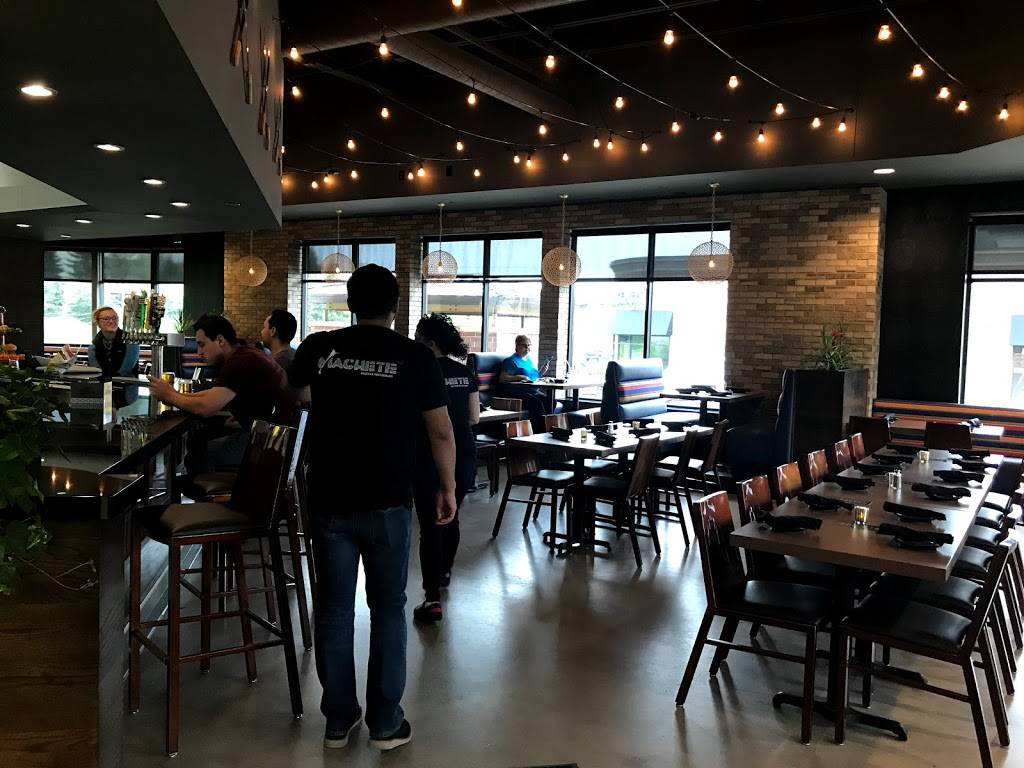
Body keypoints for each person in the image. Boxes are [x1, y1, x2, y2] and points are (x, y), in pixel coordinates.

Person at [288, 264, 456, 753]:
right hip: (388, 500)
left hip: (330, 498)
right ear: (396, 307)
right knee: (387, 608)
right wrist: (446, 487)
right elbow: (441, 431)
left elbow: (298, 396)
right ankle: (385, 723)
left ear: (349, 304)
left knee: (334, 609)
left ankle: (339, 720)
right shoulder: (416, 357)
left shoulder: (318, 347)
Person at [147, 314, 294, 474]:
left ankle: (211, 489)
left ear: (220, 340)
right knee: (200, 438)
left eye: (202, 345)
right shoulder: (244, 354)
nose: (199, 352)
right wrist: (173, 393)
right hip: (276, 437)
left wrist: (169, 396)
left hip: (272, 443)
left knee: (198, 454)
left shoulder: (240, 361)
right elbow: (212, 394)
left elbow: (206, 407)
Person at [411, 313, 479, 624]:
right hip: (464, 455)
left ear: (428, 342)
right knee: (450, 515)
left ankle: (432, 598)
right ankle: (446, 572)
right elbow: (474, 417)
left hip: (428, 457)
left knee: (430, 525)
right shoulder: (464, 372)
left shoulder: (420, 371)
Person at [86, 306, 141, 406]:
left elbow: (125, 370)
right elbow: (96, 371)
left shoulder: (130, 341)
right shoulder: (93, 347)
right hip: (102, 394)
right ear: (98, 322)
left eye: (114, 318)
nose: (111, 321)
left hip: (126, 395)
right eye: (106, 319)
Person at [498, 334, 548, 432]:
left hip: (532, 391)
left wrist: (541, 372)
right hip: (517, 393)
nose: (527, 348)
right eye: (524, 345)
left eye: (529, 345)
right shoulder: (510, 361)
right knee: (537, 403)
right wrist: (518, 377)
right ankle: (539, 431)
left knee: (550, 401)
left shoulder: (528, 360)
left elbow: (533, 377)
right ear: (517, 346)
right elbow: (502, 378)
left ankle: (548, 429)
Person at [261, 308, 310, 404]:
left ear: (273, 331)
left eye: (264, 327)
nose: (261, 332)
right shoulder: (297, 357)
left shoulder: (274, 365)